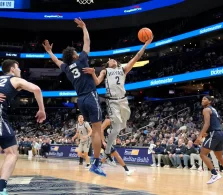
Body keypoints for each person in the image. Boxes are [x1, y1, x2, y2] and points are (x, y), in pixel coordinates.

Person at [42, 18, 105, 176]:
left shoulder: (67, 69)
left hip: (81, 101)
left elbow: (57, 61)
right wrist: (84, 27)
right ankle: (96, 163)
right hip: (90, 96)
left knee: (96, 129)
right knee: (98, 131)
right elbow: (87, 42)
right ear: (75, 56)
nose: (78, 53)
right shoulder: (82, 60)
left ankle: (99, 158)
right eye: (76, 52)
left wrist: (49, 52)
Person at [82, 36, 153, 161]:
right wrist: (93, 73)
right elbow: (97, 82)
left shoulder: (123, 69)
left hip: (123, 100)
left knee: (122, 124)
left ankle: (111, 136)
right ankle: (108, 149)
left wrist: (146, 44)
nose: (113, 60)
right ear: (107, 63)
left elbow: (137, 56)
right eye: (110, 60)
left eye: (114, 59)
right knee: (117, 124)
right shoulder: (106, 71)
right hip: (112, 101)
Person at [0, 59, 46, 195]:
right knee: (12, 153)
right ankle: (1, 188)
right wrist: (42, 109)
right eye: (18, 68)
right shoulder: (14, 79)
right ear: (12, 69)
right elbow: (36, 89)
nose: (20, 71)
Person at [194, 96, 223, 186]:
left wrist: (199, 136)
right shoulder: (213, 109)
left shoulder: (206, 109)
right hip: (219, 133)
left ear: (209, 101)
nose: (202, 100)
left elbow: (207, 124)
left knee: (202, 154)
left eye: (205, 99)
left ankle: (214, 174)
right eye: (202, 99)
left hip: (214, 133)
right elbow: (214, 123)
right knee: (219, 157)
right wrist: (207, 132)